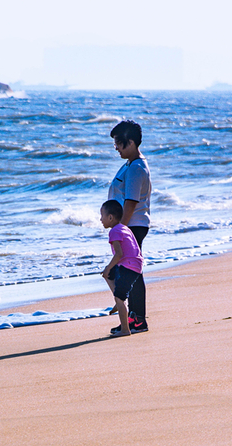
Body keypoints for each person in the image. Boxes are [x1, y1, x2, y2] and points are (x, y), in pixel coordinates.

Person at [108, 120, 151, 333]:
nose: (115, 147)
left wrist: (121, 230)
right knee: (131, 271)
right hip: (131, 225)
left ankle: (138, 320)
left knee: (131, 272)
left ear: (131, 142)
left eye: (118, 143)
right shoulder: (131, 164)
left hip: (132, 226)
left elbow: (131, 202)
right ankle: (133, 318)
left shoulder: (136, 168)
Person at [100, 200, 143, 337]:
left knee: (119, 294)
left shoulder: (114, 231)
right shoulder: (124, 227)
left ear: (111, 217)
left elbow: (119, 254)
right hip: (135, 265)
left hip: (128, 265)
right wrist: (108, 270)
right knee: (107, 274)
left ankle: (125, 329)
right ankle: (118, 303)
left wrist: (108, 267)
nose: (100, 219)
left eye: (102, 216)